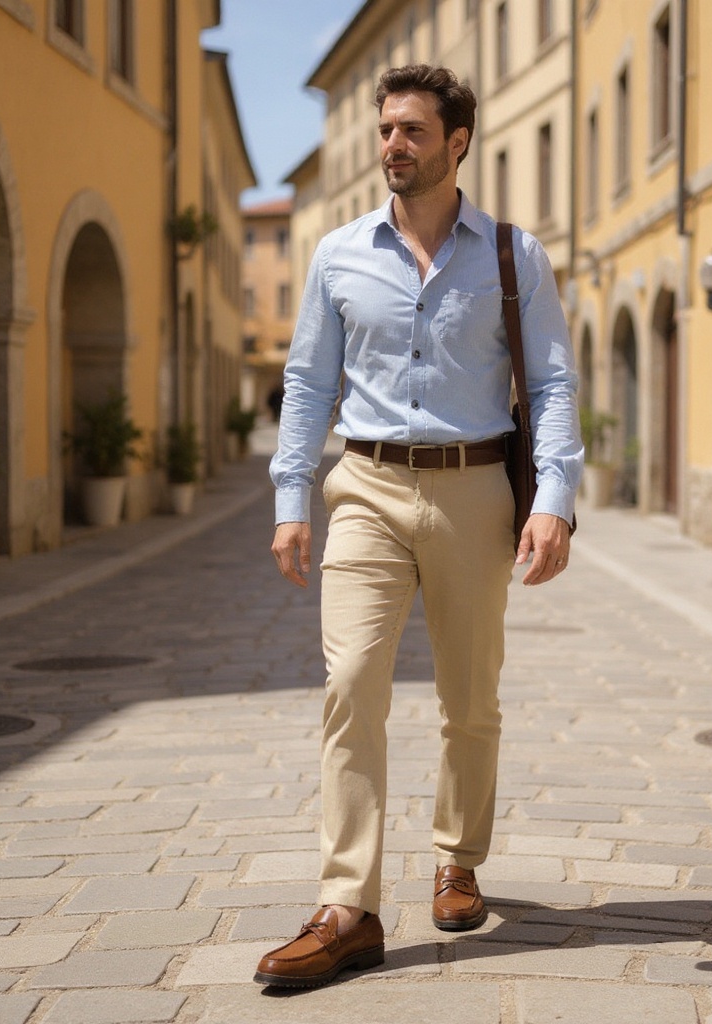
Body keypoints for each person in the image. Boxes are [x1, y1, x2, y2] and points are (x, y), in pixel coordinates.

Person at [255, 64, 582, 989]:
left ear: (457, 143)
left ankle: (457, 858)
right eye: (386, 130)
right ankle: (347, 906)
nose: (392, 145)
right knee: (353, 682)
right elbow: (309, 386)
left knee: (469, 696)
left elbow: (552, 384)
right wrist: (291, 500)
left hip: (476, 489)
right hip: (363, 486)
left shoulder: (516, 256)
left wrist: (552, 499)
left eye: (411, 131)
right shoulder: (337, 255)